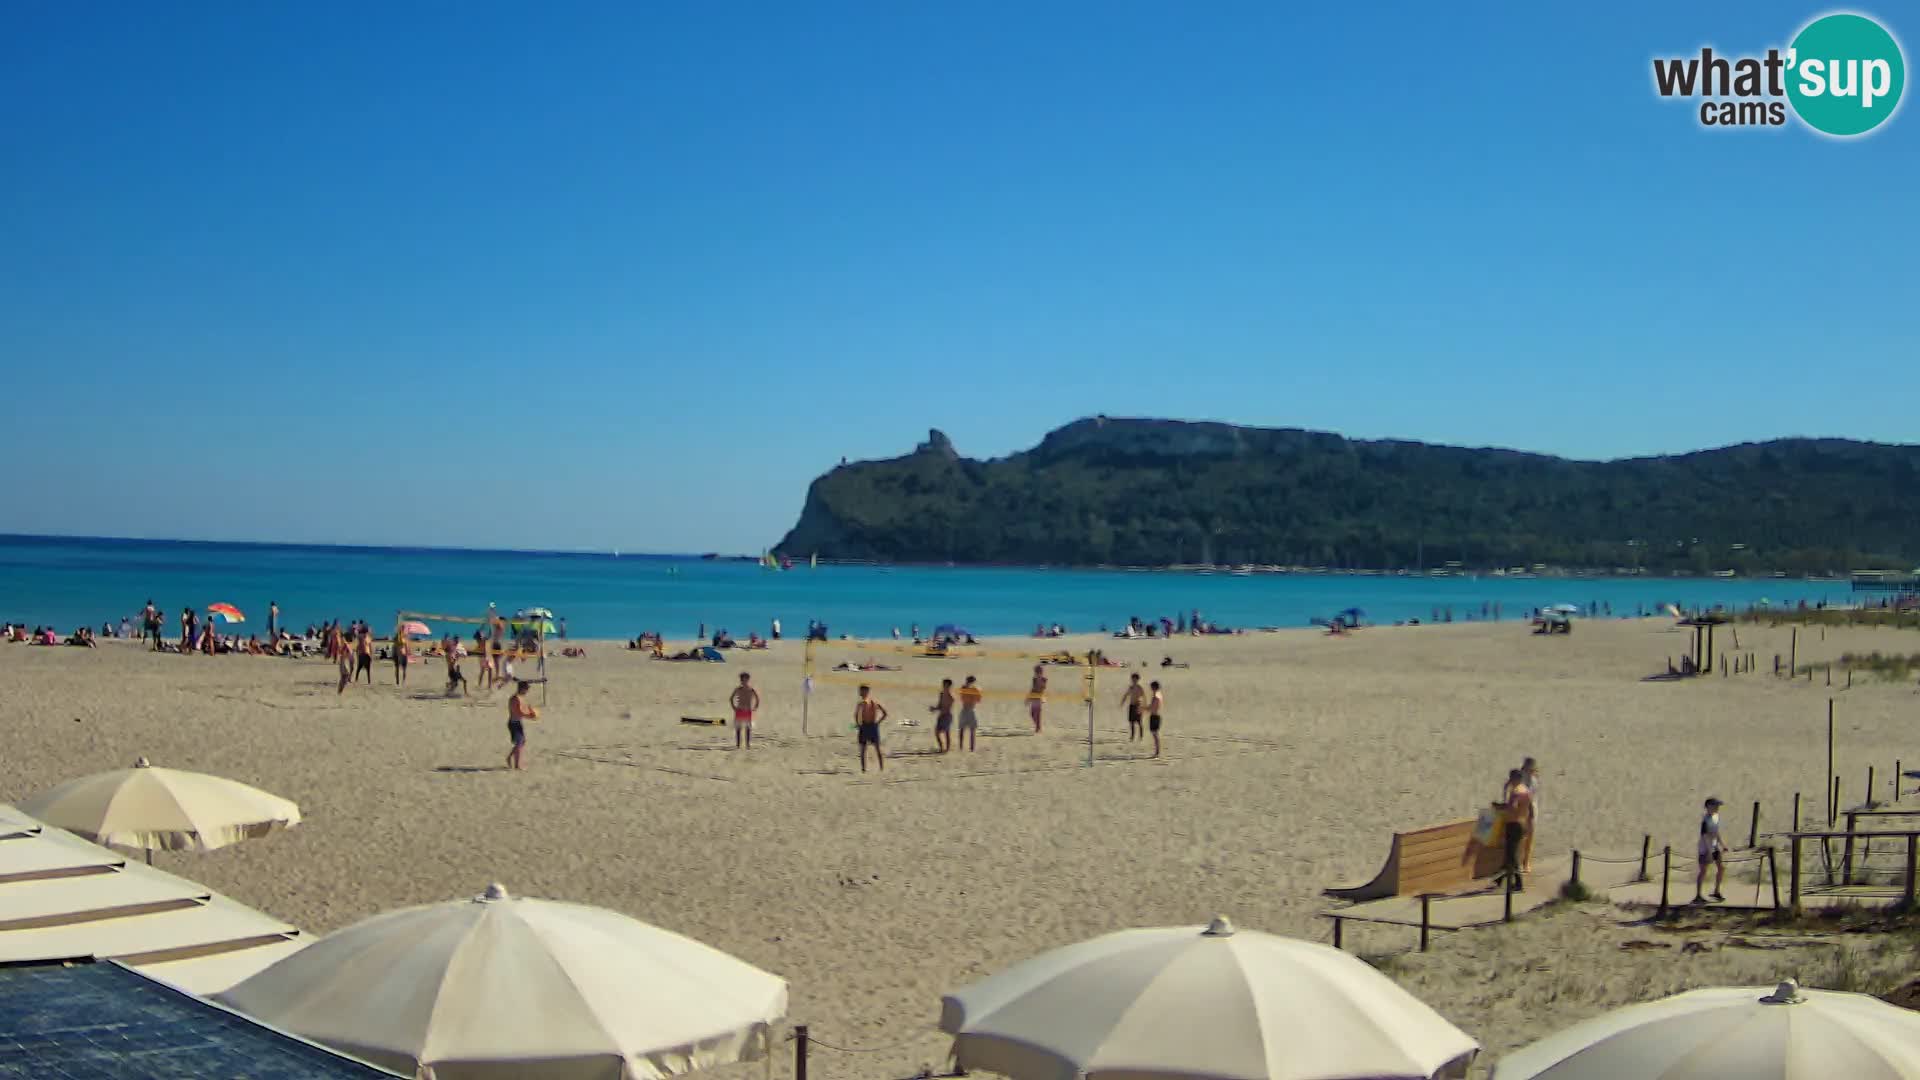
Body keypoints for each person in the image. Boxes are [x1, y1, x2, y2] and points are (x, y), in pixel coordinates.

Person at [1498, 768, 1531, 888]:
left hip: (1513, 824)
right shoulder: (1526, 790)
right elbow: (1529, 808)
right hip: (1522, 823)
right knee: (1510, 853)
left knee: (1511, 855)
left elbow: (1512, 807)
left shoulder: (1516, 791)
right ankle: (1500, 879)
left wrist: (1501, 807)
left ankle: (1518, 883)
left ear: (1514, 778)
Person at [1696, 796, 1729, 903]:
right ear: (1708, 806)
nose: (1717, 807)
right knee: (1703, 871)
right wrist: (1709, 852)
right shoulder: (1705, 820)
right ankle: (1698, 895)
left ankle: (1716, 891)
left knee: (1721, 868)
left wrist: (1722, 844)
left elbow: (1716, 832)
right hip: (1705, 849)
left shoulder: (1716, 817)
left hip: (1714, 847)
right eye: (1715, 805)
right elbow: (1705, 836)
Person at [854, 684, 887, 772]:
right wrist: (878, 723)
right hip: (873, 726)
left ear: (865, 691)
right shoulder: (874, 702)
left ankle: (864, 769)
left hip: (866, 726)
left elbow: (856, 715)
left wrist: (858, 724)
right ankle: (881, 768)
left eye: (861, 691)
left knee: (863, 749)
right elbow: (885, 713)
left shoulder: (862, 703)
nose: (859, 692)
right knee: (876, 748)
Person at [506, 681, 538, 770]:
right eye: (526, 689)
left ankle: (509, 758)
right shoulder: (515, 699)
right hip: (513, 723)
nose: (527, 691)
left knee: (521, 743)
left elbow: (524, 709)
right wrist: (530, 716)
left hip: (518, 722)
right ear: (523, 689)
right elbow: (518, 712)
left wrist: (531, 711)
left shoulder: (521, 697)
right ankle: (517, 765)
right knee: (519, 743)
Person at [1520, 757, 1541, 873]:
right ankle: (1525, 862)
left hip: (1530, 808)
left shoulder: (1533, 779)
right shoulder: (1527, 778)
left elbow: (1531, 796)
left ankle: (1526, 862)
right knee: (1525, 836)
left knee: (1529, 837)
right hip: (1525, 809)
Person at [730, 672, 760, 749]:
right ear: (741, 681)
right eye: (743, 680)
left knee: (748, 728)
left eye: (746, 680)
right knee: (738, 728)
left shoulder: (751, 690)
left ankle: (747, 744)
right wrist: (734, 707)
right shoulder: (738, 689)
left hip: (747, 711)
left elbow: (757, 698)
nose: (744, 682)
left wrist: (755, 707)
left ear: (748, 680)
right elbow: (731, 698)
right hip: (740, 710)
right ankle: (738, 744)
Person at [955, 675, 983, 752]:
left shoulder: (975, 689)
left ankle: (971, 748)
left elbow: (979, 700)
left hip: (971, 710)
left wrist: (975, 692)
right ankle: (961, 747)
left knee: (972, 730)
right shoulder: (964, 688)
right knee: (962, 729)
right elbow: (961, 696)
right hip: (965, 710)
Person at [1121, 673, 1146, 742]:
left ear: (1138, 679)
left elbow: (1143, 697)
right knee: (1131, 722)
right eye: (1133, 679)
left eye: (1135, 679)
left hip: (1137, 705)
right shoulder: (1131, 687)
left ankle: (1141, 737)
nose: (1134, 680)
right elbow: (1126, 695)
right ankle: (1132, 736)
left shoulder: (1140, 687)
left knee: (1139, 722)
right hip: (1132, 706)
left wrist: (1143, 707)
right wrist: (1122, 702)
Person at [1148, 680, 1165, 758]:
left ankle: (1157, 751)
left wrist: (1142, 708)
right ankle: (1157, 751)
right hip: (1157, 715)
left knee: (1155, 734)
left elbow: (1151, 708)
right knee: (1155, 734)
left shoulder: (1156, 697)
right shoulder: (1159, 695)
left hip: (1154, 716)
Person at [1028, 664, 1047, 733]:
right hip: (1034, 697)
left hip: (1039, 697)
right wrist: (1029, 697)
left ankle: (1038, 727)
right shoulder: (1034, 679)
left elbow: (1043, 688)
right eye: (1036, 672)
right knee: (1032, 714)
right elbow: (1032, 688)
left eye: (1037, 672)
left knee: (1037, 713)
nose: (1036, 673)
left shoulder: (1044, 679)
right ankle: (1038, 726)